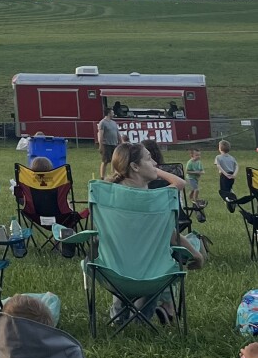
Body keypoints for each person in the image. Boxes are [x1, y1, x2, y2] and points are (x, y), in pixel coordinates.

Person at [108, 142, 205, 323]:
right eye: (149, 158)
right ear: (135, 166)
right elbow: (180, 183)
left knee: (129, 253)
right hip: (151, 272)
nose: (154, 163)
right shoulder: (155, 199)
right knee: (178, 247)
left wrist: (143, 169)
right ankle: (147, 315)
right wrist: (197, 256)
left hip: (112, 272)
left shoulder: (107, 195)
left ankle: (120, 316)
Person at [96, 108, 120, 179]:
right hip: (106, 144)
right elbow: (101, 135)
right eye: (112, 112)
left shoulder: (113, 123)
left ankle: (114, 175)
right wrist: (101, 145)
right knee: (105, 161)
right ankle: (102, 177)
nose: (113, 114)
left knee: (114, 161)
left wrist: (121, 141)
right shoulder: (102, 122)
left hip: (114, 144)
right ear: (109, 113)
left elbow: (117, 133)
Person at [215, 140, 239, 205]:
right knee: (229, 188)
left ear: (220, 149)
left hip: (224, 176)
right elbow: (237, 166)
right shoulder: (232, 158)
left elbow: (218, 166)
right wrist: (234, 175)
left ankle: (229, 202)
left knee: (224, 190)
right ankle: (233, 199)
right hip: (231, 175)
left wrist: (225, 174)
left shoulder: (218, 157)